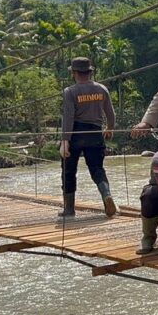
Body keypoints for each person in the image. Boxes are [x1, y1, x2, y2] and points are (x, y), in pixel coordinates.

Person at [59, 57, 117, 217]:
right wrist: (110, 128)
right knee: (97, 169)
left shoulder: (70, 91)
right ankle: (106, 195)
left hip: (75, 133)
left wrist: (65, 141)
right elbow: (110, 113)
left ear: (74, 73)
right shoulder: (102, 89)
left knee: (68, 171)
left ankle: (69, 209)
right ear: (90, 72)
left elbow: (68, 117)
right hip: (95, 132)